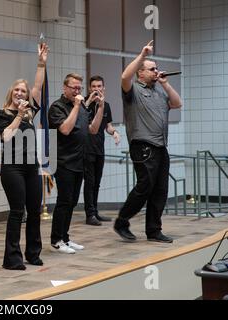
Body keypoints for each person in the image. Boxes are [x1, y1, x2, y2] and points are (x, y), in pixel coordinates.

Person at [114, 40, 182, 243]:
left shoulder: (160, 90)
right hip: (143, 146)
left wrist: (165, 83)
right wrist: (142, 55)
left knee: (160, 189)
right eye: (152, 69)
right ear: (140, 73)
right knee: (145, 185)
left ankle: (153, 230)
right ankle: (122, 220)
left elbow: (177, 103)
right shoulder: (132, 90)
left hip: (161, 147)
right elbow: (125, 76)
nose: (156, 71)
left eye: (156, 69)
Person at [0, 42, 49, 270]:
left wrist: (41, 63)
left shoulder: (29, 113)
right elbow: (6, 137)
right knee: (18, 211)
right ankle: (12, 259)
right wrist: (19, 114)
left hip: (31, 168)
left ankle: (33, 254)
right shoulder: (2, 114)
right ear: (11, 93)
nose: (20, 93)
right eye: (17, 90)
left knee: (35, 211)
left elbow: (37, 85)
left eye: (23, 91)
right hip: (12, 169)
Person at [48, 73, 104, 254]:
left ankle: (65, 237)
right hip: (63, 161)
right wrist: (79, 105)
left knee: (72, 202)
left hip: (80, 161)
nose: (77, 91)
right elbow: (65, 129)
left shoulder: (80, 108)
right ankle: (56, 240)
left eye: (79, 88)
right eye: (74, 88)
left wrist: (100, 107)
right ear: (64, 88)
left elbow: (93, 129)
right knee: (64, 201)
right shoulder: (57, 107)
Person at [83, 75, 120, 226]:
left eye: (99, 86)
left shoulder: (107, 105)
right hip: (86, 148)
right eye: (94, 86)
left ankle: (95, 211)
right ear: (89, 88)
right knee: (89, 182)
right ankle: (89, 214)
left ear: (103, 88)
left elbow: (108, 126)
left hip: (99, 148)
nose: (97, 89)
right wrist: (89, 102)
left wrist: (115, 132)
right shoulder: (83, 103)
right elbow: (78, 118)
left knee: (97, 182)